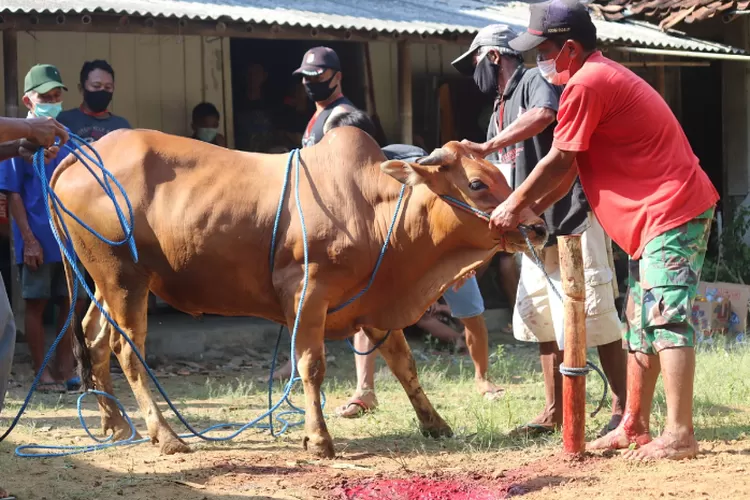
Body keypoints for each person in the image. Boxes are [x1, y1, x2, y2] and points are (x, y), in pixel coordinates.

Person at [493, 0, 718, 460]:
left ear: (570, 48)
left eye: (544, 50)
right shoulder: (589, 80)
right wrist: (530, 211)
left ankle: (680, 435)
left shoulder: (588, 83)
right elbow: (571, 170)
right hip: (650, 218)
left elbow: (557, 159)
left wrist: (514, 203)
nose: (538, 61)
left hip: (671, 209)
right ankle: (633, 423)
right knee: (639, 324)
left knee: (666, 320)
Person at [452, 23, 628, 437]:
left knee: (594, 315)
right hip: (532, 228)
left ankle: (624, 407)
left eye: (476, 60)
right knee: (543, 319)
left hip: (571, 215)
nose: (473, 71)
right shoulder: (497, 111)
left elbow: (544, 116)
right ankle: (554, 411)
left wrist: (487, 147)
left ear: (495, 55)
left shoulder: (534, 79)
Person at [321, 109, 504, 417]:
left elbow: (464, 210)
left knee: (470, 311)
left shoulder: (409, 162)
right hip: (390, 255)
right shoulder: (341, 178)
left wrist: (469, 260)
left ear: (361, 140)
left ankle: (482, 378)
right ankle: (364, 392)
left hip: (442, 249)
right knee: (365, 313)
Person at [0, 64, 86, 394]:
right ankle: (42, 373)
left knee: (71, 303)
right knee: (36, 304)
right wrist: (30, 240)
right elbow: (13, 192)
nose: (51, 102)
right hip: (35, 236)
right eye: (44, 97)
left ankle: (66, 369)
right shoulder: (20, 139)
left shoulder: (67, 140)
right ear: (28, 100)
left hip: (69, 239)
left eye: (56, 96)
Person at [0, 114, 68, 500]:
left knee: (4, 326)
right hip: (37, 242)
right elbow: (12, 195)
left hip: (63, 243)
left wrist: (15, 146)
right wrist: (26, 130)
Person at [294, 46, 359, 148]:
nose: (311, 83)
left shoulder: (340, 114)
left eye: (318, 78)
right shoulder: (320, 111)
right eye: (307, 78)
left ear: (338, 77)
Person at [57, 59, 131, 143]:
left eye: (108, 87)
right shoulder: (63, 121)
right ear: (81, 89)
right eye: (96, 86)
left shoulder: (122, 126)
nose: (102, 90)